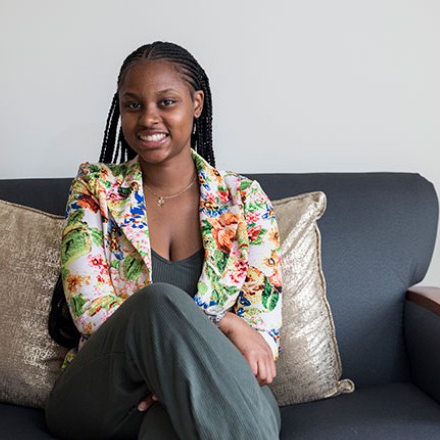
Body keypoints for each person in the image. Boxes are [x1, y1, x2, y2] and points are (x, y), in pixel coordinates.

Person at [46, 41, 283, 439]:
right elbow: (91, 311)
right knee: (157, 301)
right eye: (133, 105)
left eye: (166, 102)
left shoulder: (245, 201)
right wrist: (221, 323)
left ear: (197, 104)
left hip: (210, 393)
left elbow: (260, 341)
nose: (148, 118)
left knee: (170, 426)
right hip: (105, 392)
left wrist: (178, 380)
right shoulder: (95, 189)